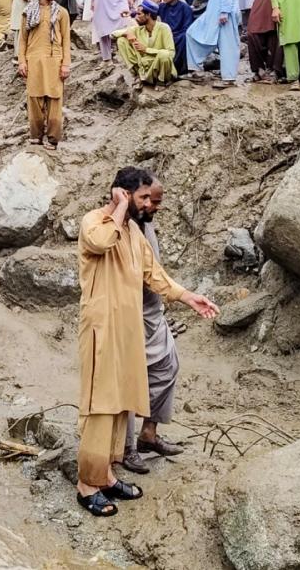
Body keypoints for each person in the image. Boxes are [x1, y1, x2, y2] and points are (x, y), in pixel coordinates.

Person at [74, 167, 218, 518]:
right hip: (102, 331)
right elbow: (100, 242)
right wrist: (119, 208)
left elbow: (155, 275)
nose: (147, 203)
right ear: (120, 193)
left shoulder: (135, 235)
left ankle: (106, 475)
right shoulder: (94, 222)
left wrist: (189, 297)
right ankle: (86, 485)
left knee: (121, 403)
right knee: (101, 405)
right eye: (140, 197)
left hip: (127, 332)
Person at [120, 176, 186, 474]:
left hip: (152, 310)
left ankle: (149, 434)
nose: (153, 206)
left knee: (167, 366)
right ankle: (126, 448)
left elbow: (153, 270)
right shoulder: (119, 225)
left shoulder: (145, 222)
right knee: (128, 382)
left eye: (156, 201)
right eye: (148, 200)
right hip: (128, 315)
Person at [18, 0, 72, 149]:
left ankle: (53, 139)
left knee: (55, 101)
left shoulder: (61, 13)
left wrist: (65, 64)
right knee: (34, 100)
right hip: (33, 61)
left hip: (55, 61)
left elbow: (66, 40)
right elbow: (23, 40)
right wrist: (22, 62)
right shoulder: (28, 11)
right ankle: (36, 135)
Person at [116, 0, 175, 88]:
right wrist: (127, 33)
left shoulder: (164, 28)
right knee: (121, 40)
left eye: (139, 14)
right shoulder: (139, 29)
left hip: (160, 67)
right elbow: (112, 35)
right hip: (144, 67)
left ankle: (160, 81)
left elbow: (171, 53)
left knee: (164, 54)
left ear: (148, 15)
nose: (136, 17)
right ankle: (137, 75)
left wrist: (146, 49)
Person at [156, 0, 192, 78]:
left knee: (184, 38)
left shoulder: (185, 8)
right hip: (166, 35)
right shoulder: (162, 7)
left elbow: (187, 28)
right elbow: (149, 13)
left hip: (180, 36)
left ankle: (180, 70)